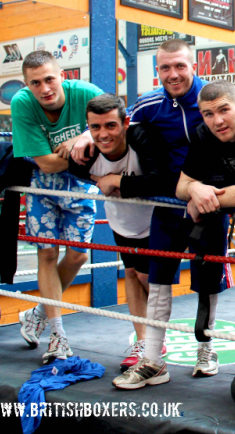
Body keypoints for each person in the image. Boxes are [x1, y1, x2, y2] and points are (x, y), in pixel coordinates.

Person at [110, 39, 235, 390]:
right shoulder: (149, 103)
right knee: (158, 278)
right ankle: (152, 360)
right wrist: (86, 136)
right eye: (165, 68)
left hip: (216, 201)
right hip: (172, 198)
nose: (173, 74)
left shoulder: (214, 96)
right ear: (157, 70)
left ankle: (205, 349)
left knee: (208, 278)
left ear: (194, 67)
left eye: (180, 66)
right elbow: (116, 122)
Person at [13, 51, 104, 364]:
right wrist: (77, 148)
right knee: (47, 253)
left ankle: (37, 313)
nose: (44, 88)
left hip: (81, 186)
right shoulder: (22, 103)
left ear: (62, 75)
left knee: (78, 255)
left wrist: (84, 135)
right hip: (42, 187)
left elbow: (116, 124)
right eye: (35, 83)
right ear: (27, 85)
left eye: (49, 79)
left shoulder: (88, 94)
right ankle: (57, 335)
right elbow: (47, 164)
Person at [68, 94, 170, 373]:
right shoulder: (85, 153)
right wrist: (76, 143)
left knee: (147, 278)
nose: (104, 134)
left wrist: (116, 181)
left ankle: (158, 336)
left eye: (111, 126)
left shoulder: (141, 138)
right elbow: (62, 162)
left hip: (154, 221)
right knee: (130, 275)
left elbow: (160, 180)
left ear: (125, 123)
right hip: (121, 224)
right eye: (95, 127)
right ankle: (143, 341)